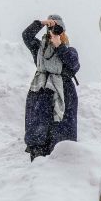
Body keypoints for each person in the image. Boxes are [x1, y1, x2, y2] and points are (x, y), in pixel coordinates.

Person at [22, 14, 80, 161]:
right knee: (39, 139)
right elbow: (27, 35)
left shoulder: (69, 50)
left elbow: (74, 65)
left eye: (57, 30)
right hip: (41, 95)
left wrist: (59, 45)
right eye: (51, 30)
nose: (53, 32)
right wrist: (42, 23)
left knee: (60, 141)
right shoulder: (39, 50)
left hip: (64, 96)